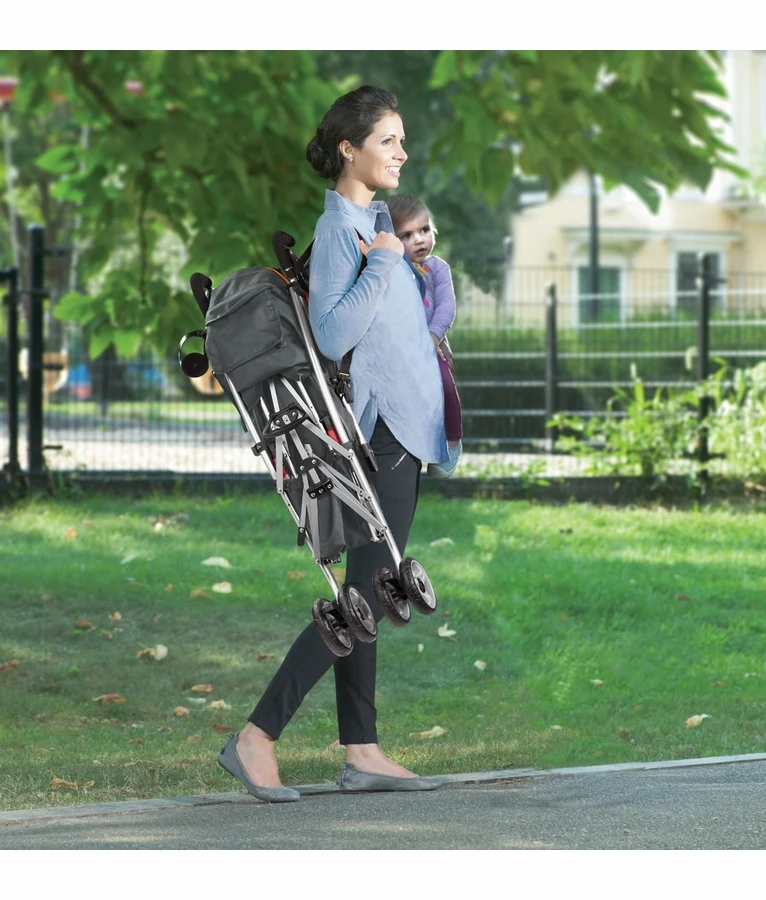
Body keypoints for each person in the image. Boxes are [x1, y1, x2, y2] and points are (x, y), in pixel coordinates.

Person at [216, 86, 449, 802]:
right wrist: (384, 263)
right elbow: (333, 331)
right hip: (380, 436)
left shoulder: (375, 223)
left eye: (402, 140)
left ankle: (362, 750)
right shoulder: (345, 230)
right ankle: (256, 737)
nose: (401, 152)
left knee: (365, 594)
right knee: (366, 599)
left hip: (403, 433)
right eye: (387, 141)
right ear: (349, 148)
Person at [386, 194, 463, 478]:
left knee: (445, 388)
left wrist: (434, 337)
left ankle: (451, 443)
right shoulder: (389, 272)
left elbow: (446, 308)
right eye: (406, 235)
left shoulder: (437, 269)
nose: (419, 240)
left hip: (429, 348)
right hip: (400, 352)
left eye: (424, 230)